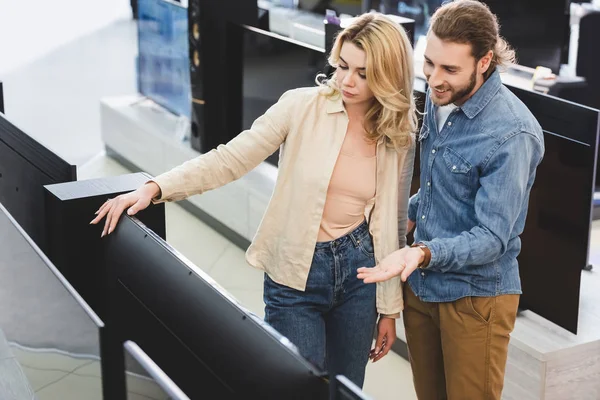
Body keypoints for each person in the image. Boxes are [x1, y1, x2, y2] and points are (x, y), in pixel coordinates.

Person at [91, 13, 417, 387]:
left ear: (387, 76)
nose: (346, 80)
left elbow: (392, 225)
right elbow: (230, 159)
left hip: (361, 275)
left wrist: (389, 309)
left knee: (347, 390)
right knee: (299, 390)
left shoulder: (397, 133)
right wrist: (155, 187)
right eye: (343, 65)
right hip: (295, 272)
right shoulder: (300, 107)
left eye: (363, 73)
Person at [357, 1, 545, 398]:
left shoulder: (512, 133)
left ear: (485, 61)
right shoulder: (441, 100)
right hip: (424, 289)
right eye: (429, 63)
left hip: (475, 299)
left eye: (449, 69)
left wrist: (421, 252)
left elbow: (492, 237)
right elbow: (437, 193)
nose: (434, 78)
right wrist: (395, 217)